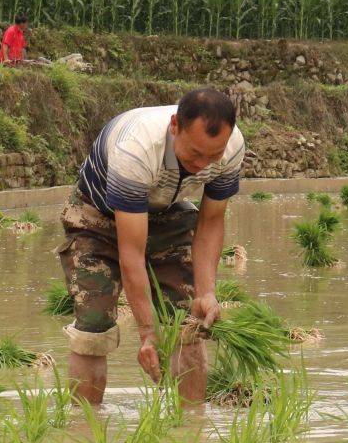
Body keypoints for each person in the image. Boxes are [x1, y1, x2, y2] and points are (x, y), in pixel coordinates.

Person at [57, 88, 247, 406]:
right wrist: (147, 334)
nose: (202, 166)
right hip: (96, 216)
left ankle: (191, 429)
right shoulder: (136, 150)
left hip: (166, 210)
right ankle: (84, 431)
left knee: (189, 323)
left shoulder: (231, 148)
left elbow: (212, 221)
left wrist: (207, 292)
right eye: (195, 154)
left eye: (212, 156)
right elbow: (131, 253)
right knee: (93, 327)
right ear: (175, 127)